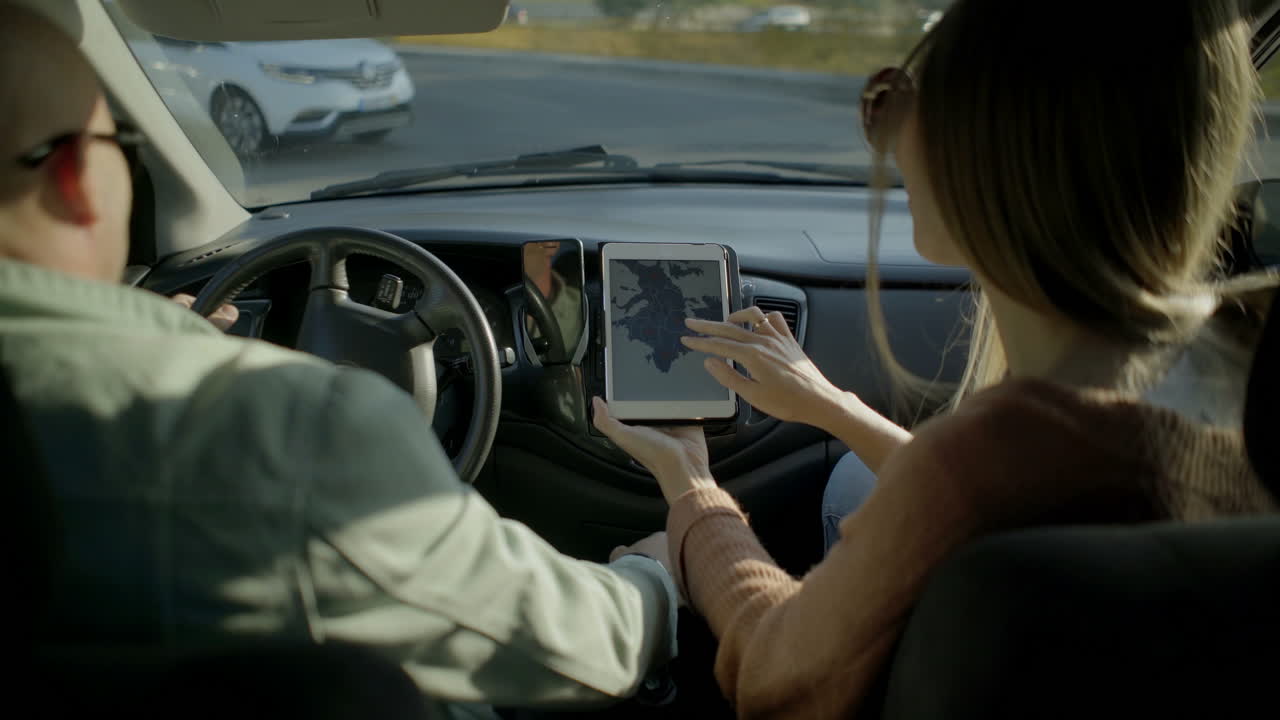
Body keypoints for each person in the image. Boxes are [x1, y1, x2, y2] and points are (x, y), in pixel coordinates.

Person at [597, 0, 1280, 717]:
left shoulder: (982, 466)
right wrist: (831, 406)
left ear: (987, 150)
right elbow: (1005, 487)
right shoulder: (1239, 365)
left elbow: (776, 673)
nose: (890, 137)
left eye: (897, 102)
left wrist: (690, 501)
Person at [0, 4, 677, 715]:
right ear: (76, 174)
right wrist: (658, 577)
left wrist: (143, 337)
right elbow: (582, 653)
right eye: (123, 145)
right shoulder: (289, 428)